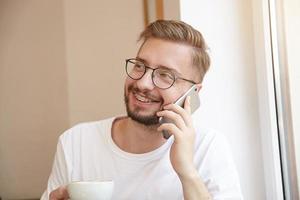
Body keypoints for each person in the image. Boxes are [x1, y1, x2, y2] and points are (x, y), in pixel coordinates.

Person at [41, 20, 243, 200]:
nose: (143, 83)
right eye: (140, 66)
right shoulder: (75, 142)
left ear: (193, 92)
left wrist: (187, 172)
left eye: (165, 75)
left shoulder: (208, 147)